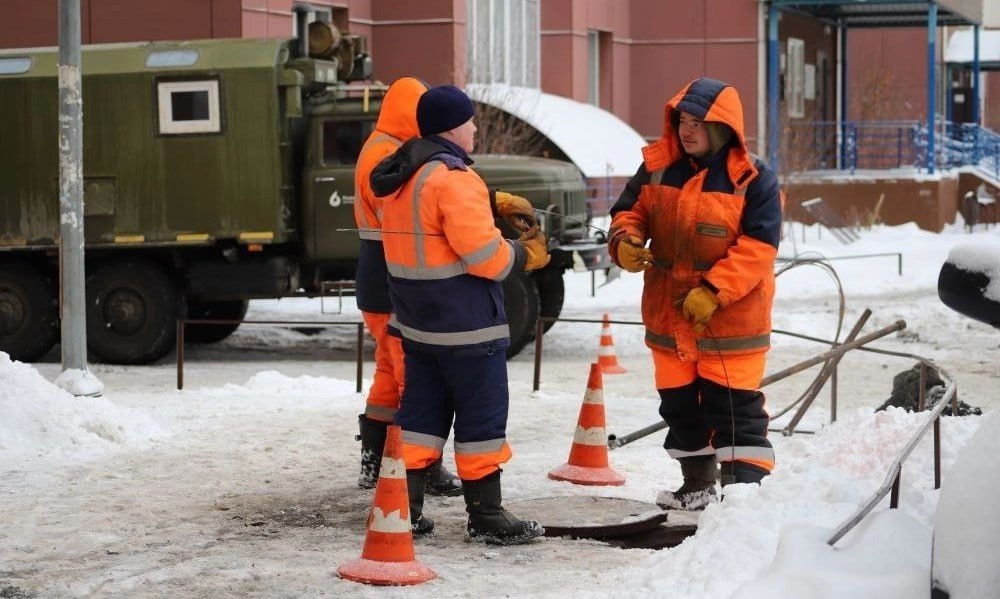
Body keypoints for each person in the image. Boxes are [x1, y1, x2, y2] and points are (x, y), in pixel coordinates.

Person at [370, 84, 549, 544]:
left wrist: (487, 205)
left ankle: (402, 509)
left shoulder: (401, 175)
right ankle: (487, 515)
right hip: (468, 326)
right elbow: (485, 257)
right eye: (470, 122)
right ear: (453, 127)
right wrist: (525, 255)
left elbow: (429, 229)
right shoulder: (454, 178)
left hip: (418, 324)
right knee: (480, 421)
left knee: (420, 418)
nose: (474, 129)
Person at [607, 77, 782, 510]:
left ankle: (744, 502)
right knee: (681, 409)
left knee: (736, 414)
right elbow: (629, 213)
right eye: (683, 121)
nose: (687, 130)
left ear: (723, 127)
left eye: (698, 122)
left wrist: (713, 290)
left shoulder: (753, 179)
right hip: (670, 319)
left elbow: (758, 249)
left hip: (731, 324)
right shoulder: (658, 166)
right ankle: (697, 487)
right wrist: (625, 242)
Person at [352, 76, 461, 496]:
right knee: (411, 375)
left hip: (377, 274)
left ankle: (375, 461)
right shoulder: (389, 153)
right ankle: (420, 465)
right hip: (392, 273)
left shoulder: (379, 147)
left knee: (387, 370)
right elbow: (407, 206)